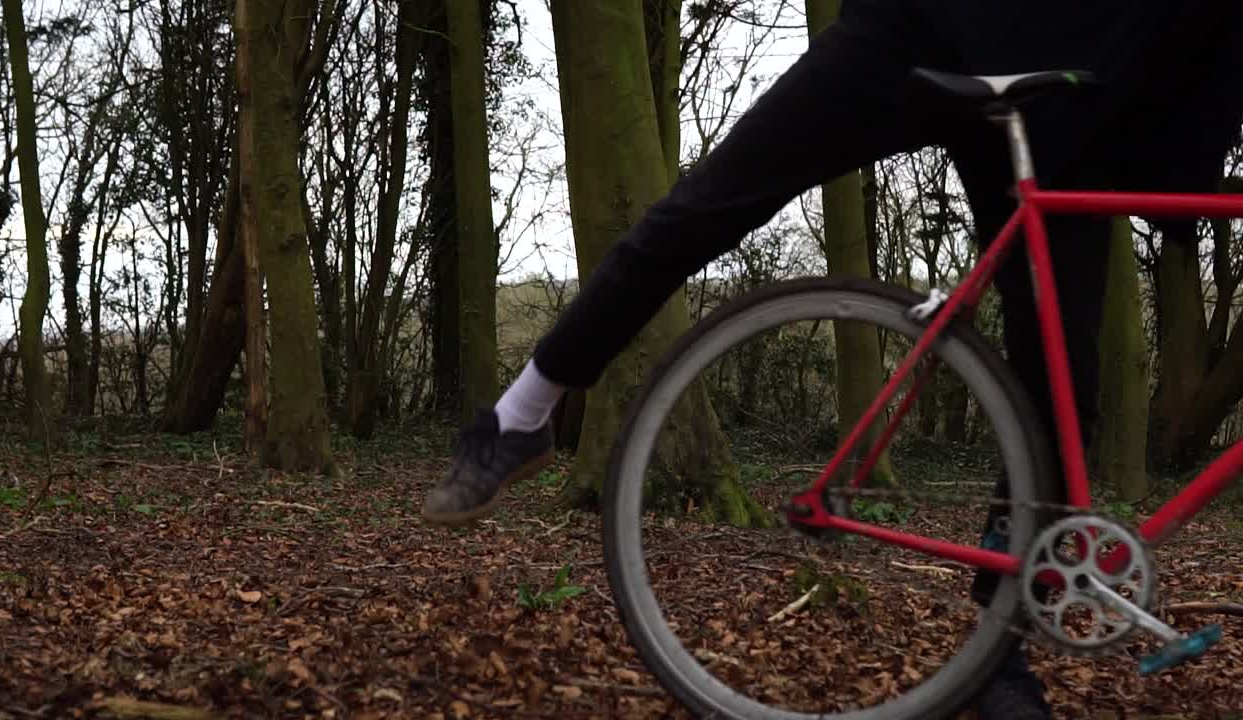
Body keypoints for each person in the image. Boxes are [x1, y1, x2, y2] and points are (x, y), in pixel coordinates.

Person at [421, 2, 1243, 717]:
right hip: (919, 25)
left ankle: (1000, 646)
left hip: (1070, 75)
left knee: (1061, 387)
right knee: (712, 201)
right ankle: (521, 413)